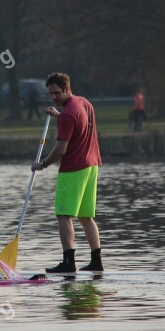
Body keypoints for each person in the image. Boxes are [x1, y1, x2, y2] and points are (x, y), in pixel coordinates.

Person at [31, 72, 103, 273]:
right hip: (92, 166)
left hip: (73, 169)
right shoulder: (84, 103)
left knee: (63, 215)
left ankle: (68, 263)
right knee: (86, 216)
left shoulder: (68, 115)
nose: (53, 97)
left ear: (67, 88)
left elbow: (61, 149)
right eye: (50, 94)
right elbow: (78, 122)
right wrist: (59, 115)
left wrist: (42, 164)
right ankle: (97, 262)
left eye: (56, 93)